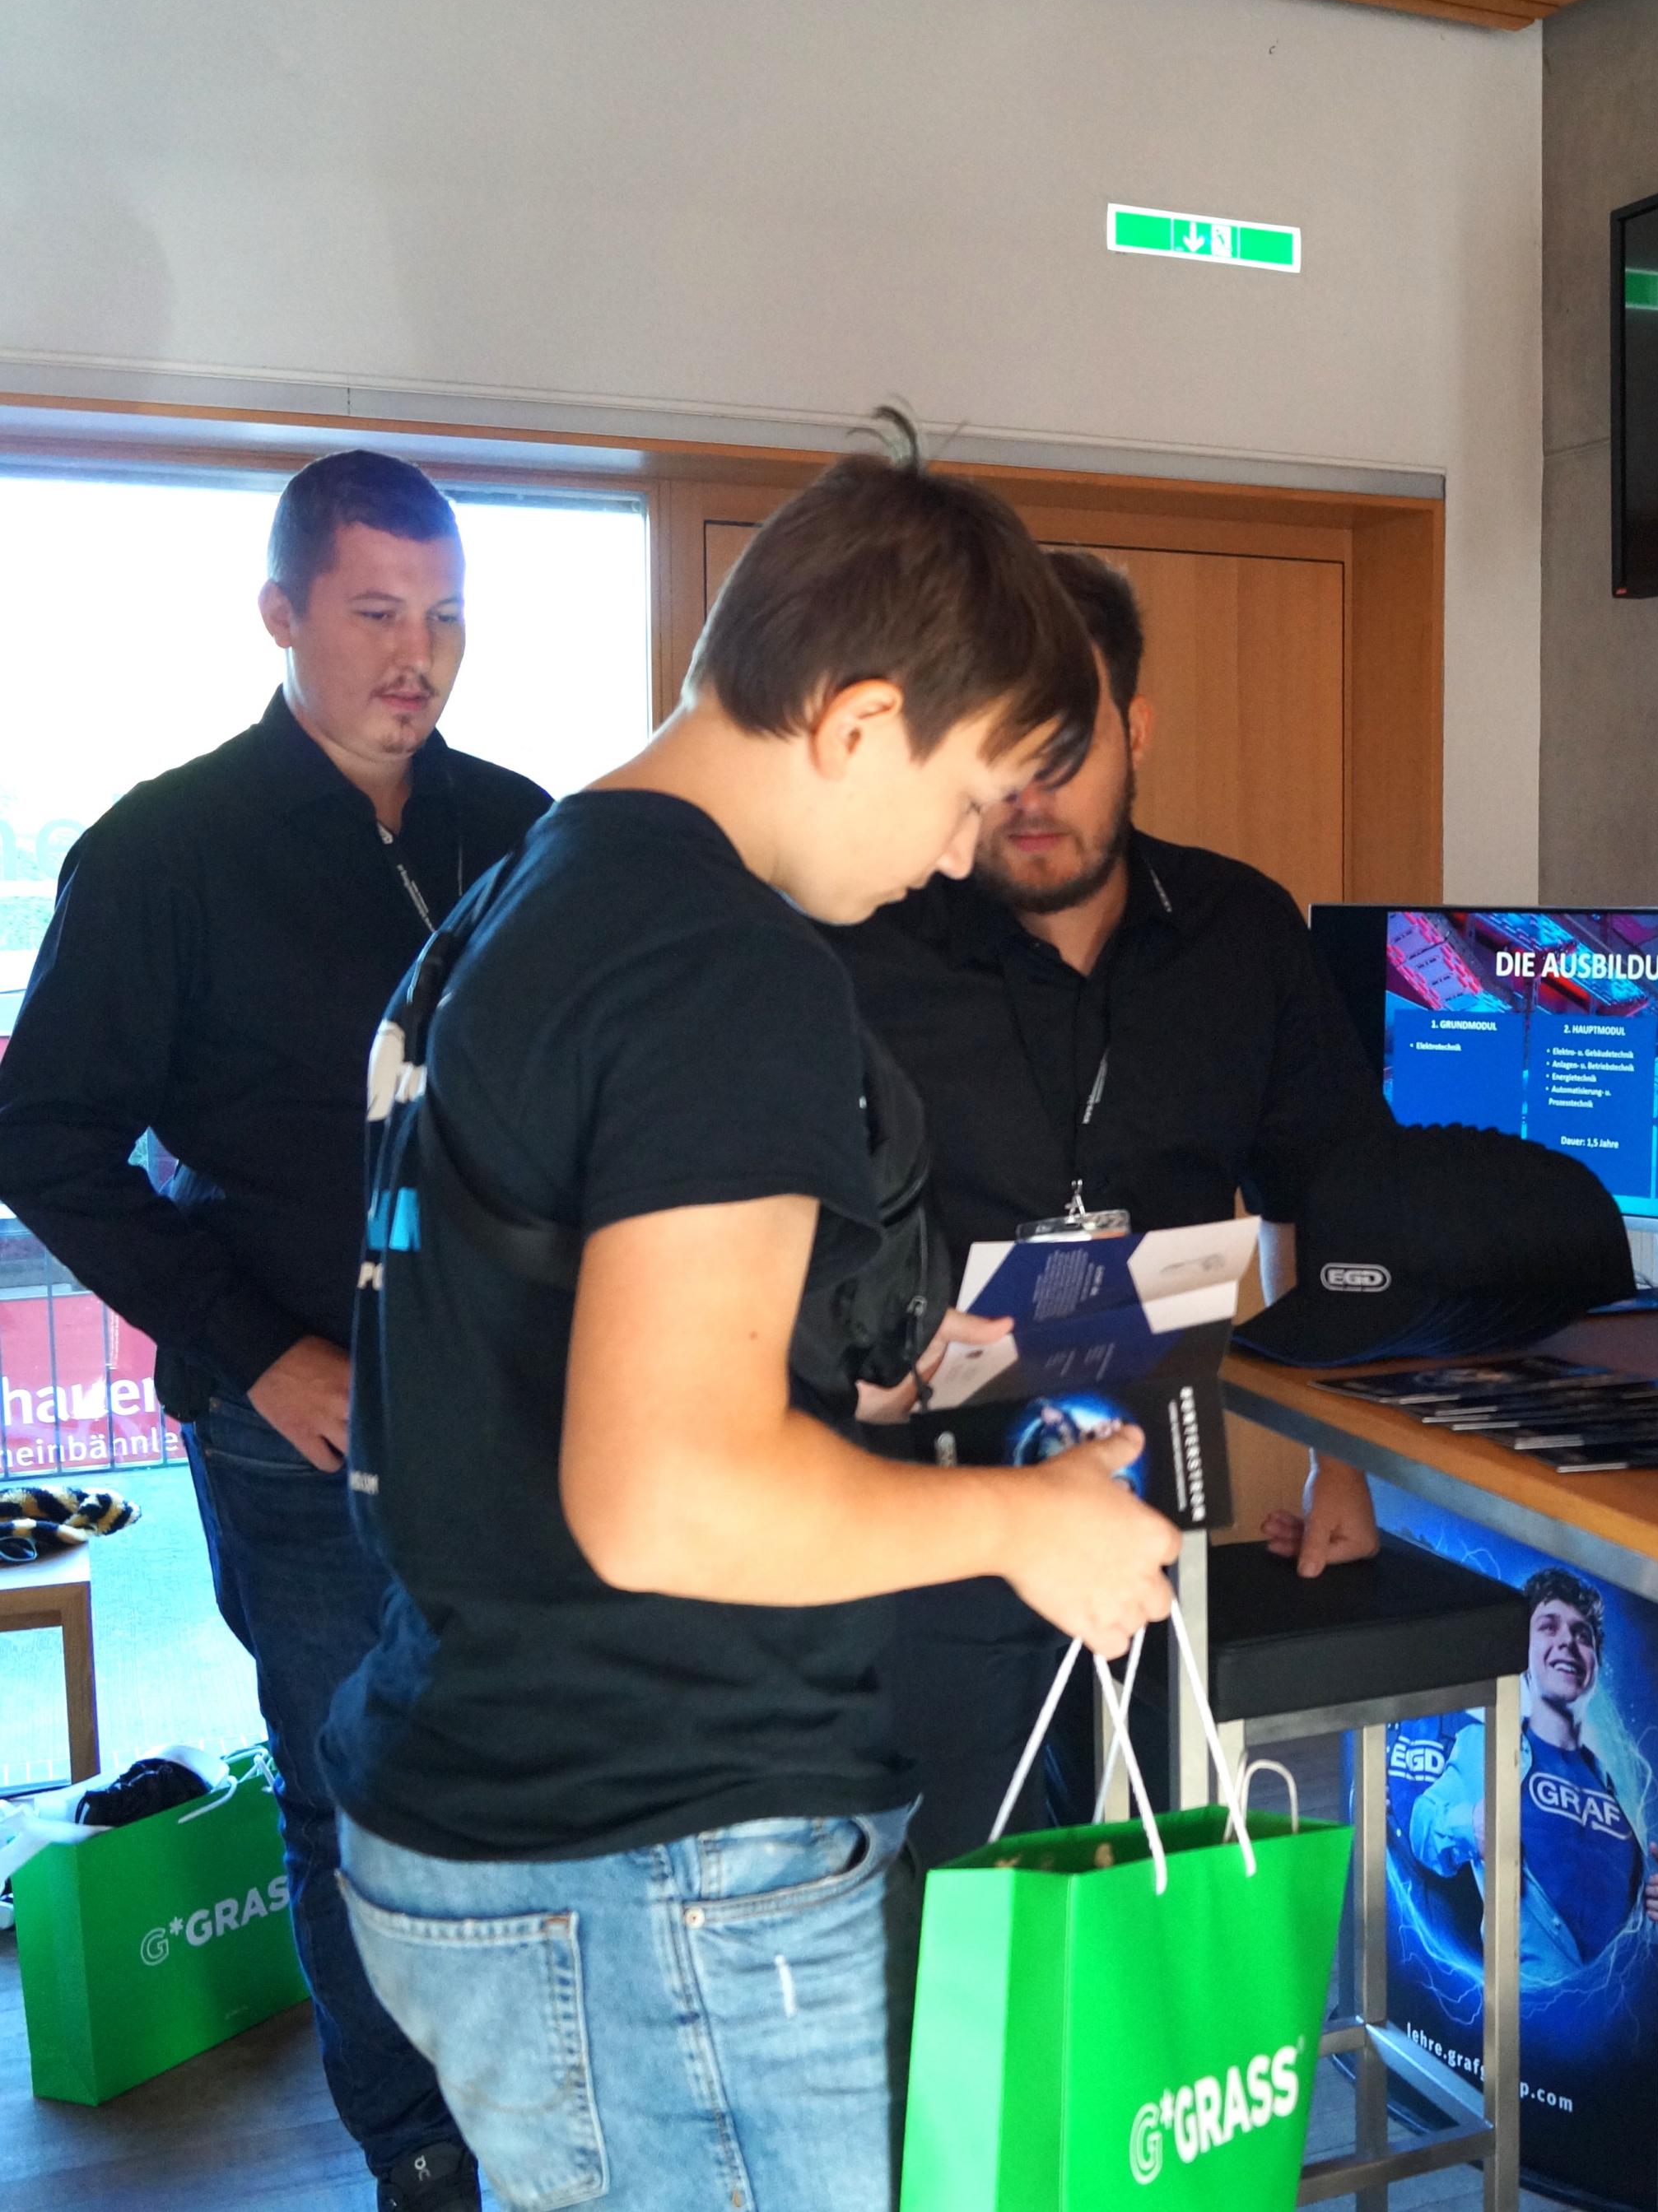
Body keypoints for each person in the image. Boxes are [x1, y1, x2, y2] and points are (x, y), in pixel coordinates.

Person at [318, 440, 1184, 2212]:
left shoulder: (525, 896)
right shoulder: (720, 960)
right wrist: (1022, 1525)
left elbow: (543, 1342)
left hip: (497, 1783)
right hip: (656, 1850)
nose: (961, 855)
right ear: (860, 723)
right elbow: (668, 1498)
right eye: (966, 794)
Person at [0, 450, 546, 2212]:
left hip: (512, 1409)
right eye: (376, 612)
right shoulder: (168, 849)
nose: (418, 653)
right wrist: (254, 1348)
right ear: (281, 614)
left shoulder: (519, 826)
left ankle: (541, 2114)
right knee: (346, 1793)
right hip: (291, 1424)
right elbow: (42, 1140)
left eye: (445, 615)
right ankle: (417, 2149)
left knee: (523, 1774)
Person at [827, 547, 1393, 1867]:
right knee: (953, 1904)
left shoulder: (1242, 931)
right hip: (917, 1525)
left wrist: (1343, 1457)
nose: (1029, 793)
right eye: (999, 748)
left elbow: (1331, 1194)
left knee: (1144, 1878)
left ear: (1136, 730)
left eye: (1065, 744)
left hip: (1150, 1509)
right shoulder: (868, 940)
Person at [1408, 1567, 1658, 1974]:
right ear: (1524, 1651)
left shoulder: (1621, 1789)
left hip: (1614, 2008)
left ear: (1596, 1664)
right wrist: (1471, 1826)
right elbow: (1422, 1826)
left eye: (1583, 1635)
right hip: (1530, 2004)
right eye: (1549, 1627)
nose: (1568, 1641)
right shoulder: (1487, 1746)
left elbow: (1648, 1929)